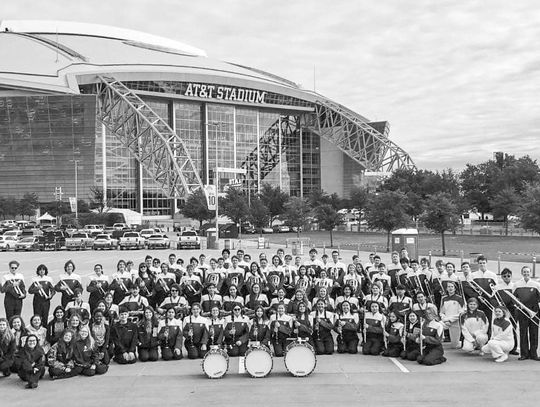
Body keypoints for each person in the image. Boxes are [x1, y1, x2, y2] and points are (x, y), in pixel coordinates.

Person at [512, 265, 540, 361]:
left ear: (530, 273)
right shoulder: (517, 284)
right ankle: (524, 354)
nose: (526, 273)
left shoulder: (536, 284)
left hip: (534, 312)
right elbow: (514, 298)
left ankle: (534, 353)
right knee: (523, 332)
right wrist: (518, 305)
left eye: (528, 272)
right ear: (522, 273)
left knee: (534, 333)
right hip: (522, 312)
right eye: (524, 272)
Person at [439, 281, 464, 349]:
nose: (450, 288)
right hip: (446, 322)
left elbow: (461, 313)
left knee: (454, 346)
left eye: (452, 286)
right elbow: (441, 312)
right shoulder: (444, 298)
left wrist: (450, 319)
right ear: (446, 288)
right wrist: (445, 319)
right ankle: (438, 342)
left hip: (455, 322)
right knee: (438, 325)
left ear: (455, 288)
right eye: (449, 287)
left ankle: (460, 342)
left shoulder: (459, 298)